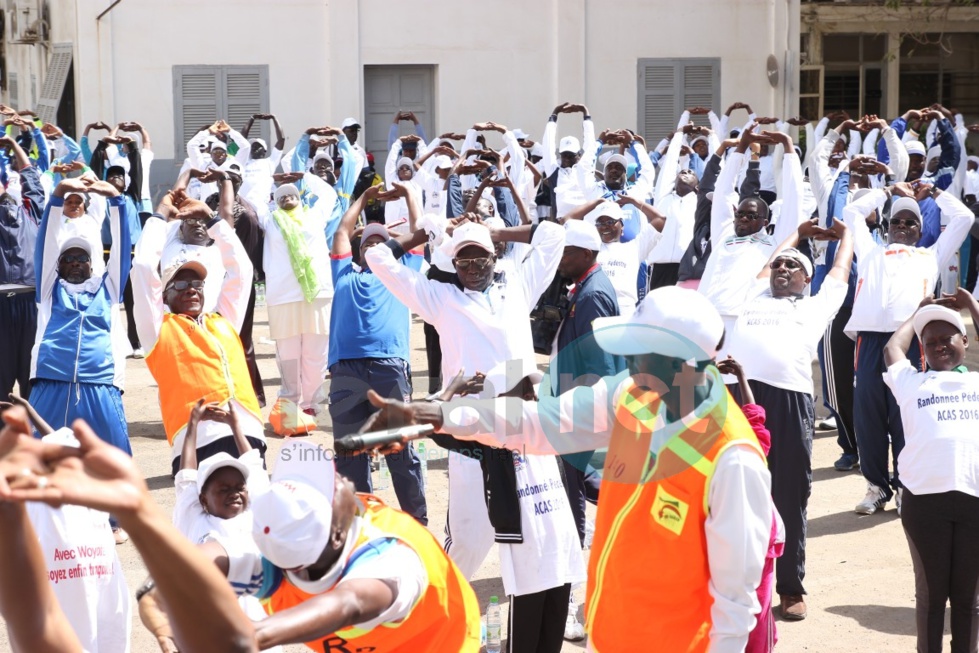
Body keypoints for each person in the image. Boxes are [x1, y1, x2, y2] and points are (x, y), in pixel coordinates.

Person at [363, 285, 772, 651]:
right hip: (613, 636)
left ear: (674, 361)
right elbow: (539, 420)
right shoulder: (634, 398)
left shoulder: (731, 457)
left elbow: (736, 600)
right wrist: (438, 413)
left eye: (637, 349)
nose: (626, 359)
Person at [365, 215, 564, 579]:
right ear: (453, 264)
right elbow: (378, 258)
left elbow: (553, 235)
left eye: (480, 259)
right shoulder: (440, 298)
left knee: (540, 526)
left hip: (524, 427)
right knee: (473, 535)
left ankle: (546, 603)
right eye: (463, 261)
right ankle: (439, 596)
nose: (471, 269)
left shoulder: (519, 284)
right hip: (471, 430)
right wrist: (425, 231)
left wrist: (497, 232)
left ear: (495, 256)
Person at [0, 406, 261, 653]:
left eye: (239, 487)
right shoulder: (196, 516)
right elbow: (187, 476)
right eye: (223, 489)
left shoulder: (257, 520)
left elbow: (254, 467)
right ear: (202, 499)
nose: (234, 493)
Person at [207, 440, 482, 651]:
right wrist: (254, 636)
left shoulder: (277, 563)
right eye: (330, 489)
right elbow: (351, 601)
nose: (342, 481)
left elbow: (205, 559)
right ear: (337, 534)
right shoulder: (391, 556)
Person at [727, 218, 854, 620]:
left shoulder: (817, 304)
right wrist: (797, 233)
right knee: (733, 484)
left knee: (789, 491)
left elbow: (840, 270)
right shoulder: (754, 294)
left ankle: (790, 587)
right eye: (779, 265)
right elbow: (769, 260)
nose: (782, 269)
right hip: (738, 395)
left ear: (807, 279)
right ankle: (735, 579)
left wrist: (846, 235)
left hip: (789, 400)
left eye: (792, 266)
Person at [842, 181, 974, 515]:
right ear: (887, 227)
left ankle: (905, 486)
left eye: (910, 222)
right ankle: (876, 486)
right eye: (897, 221)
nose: (903, 226)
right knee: (868, 414)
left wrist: (935, 193)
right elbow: (851, 211)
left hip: (912, 342)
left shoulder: (931, 254)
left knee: (907, 414)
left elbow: (964, 219)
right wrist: (886, 192)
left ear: (920, 230)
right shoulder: (870, 250)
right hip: (870, 340)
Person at [131, 198, 266, 476]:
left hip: (248, 430)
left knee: (255, 514)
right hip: (197, 438)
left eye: (196, 284)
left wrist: (212, 220)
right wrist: (159, 217)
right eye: (180, 284)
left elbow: (242, 268)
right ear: (164, 296)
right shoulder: (158, 330)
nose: (191, 289)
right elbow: (144, 268)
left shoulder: (224, 321)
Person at [883, 292, 979, 653]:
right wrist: (917, 312)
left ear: (965, 341)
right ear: (921, 349)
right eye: (930, 342)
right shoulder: (911, 382)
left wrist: (971, 304)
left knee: (969, 598)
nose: (938, 346)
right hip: (924, 504)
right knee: (931, 594)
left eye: (947, 338)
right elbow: (893, 348)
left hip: (975, 500)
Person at [328, 183, 428, 524]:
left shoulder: (403, 274)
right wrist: (365, 199)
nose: (374, 245)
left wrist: (408, 194)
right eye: (368, 242)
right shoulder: (343, 272)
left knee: (400, 449)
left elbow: (420, 233)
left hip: (390, 367)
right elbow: (342, 229)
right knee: (350, 453)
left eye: (381, 242)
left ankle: (417, 523)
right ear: (357, 252)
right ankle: (359, 524)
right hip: (345, 371)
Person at [30, 177, 133, 464]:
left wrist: (116, 200)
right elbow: (46, 245)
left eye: (82, 258)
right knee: (40, 463)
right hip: (52, 381)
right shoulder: (50, 291)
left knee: (114, 464)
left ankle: (112, 512)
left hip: (99, 383)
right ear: (58, 266)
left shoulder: (109, 288)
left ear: (92, 264)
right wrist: (58, 194)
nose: (75, 262)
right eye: (68, 258)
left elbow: (123, 250)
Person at [261, 182, 335, 435]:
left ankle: (312, 405)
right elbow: (253, 195)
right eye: (281, 196)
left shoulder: (315, 215)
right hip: (283, 297)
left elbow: (329, 193)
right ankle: (290, 405)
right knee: (289, 356)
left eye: (293, 193)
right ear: (275, 201)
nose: (288, 198)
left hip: (318, 293)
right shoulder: (270, 221)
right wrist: (274, 175)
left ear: (301, 197)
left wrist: (304, 174)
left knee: (316, 356)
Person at [0, 134, 43, 401]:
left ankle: (34, 431)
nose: (8, 198)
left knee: (32, 373)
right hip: (1, 303)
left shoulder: (33, 215)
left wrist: (15, 146)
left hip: (30, 301)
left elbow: (32, 180)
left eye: (13, 196)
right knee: (2, 375)